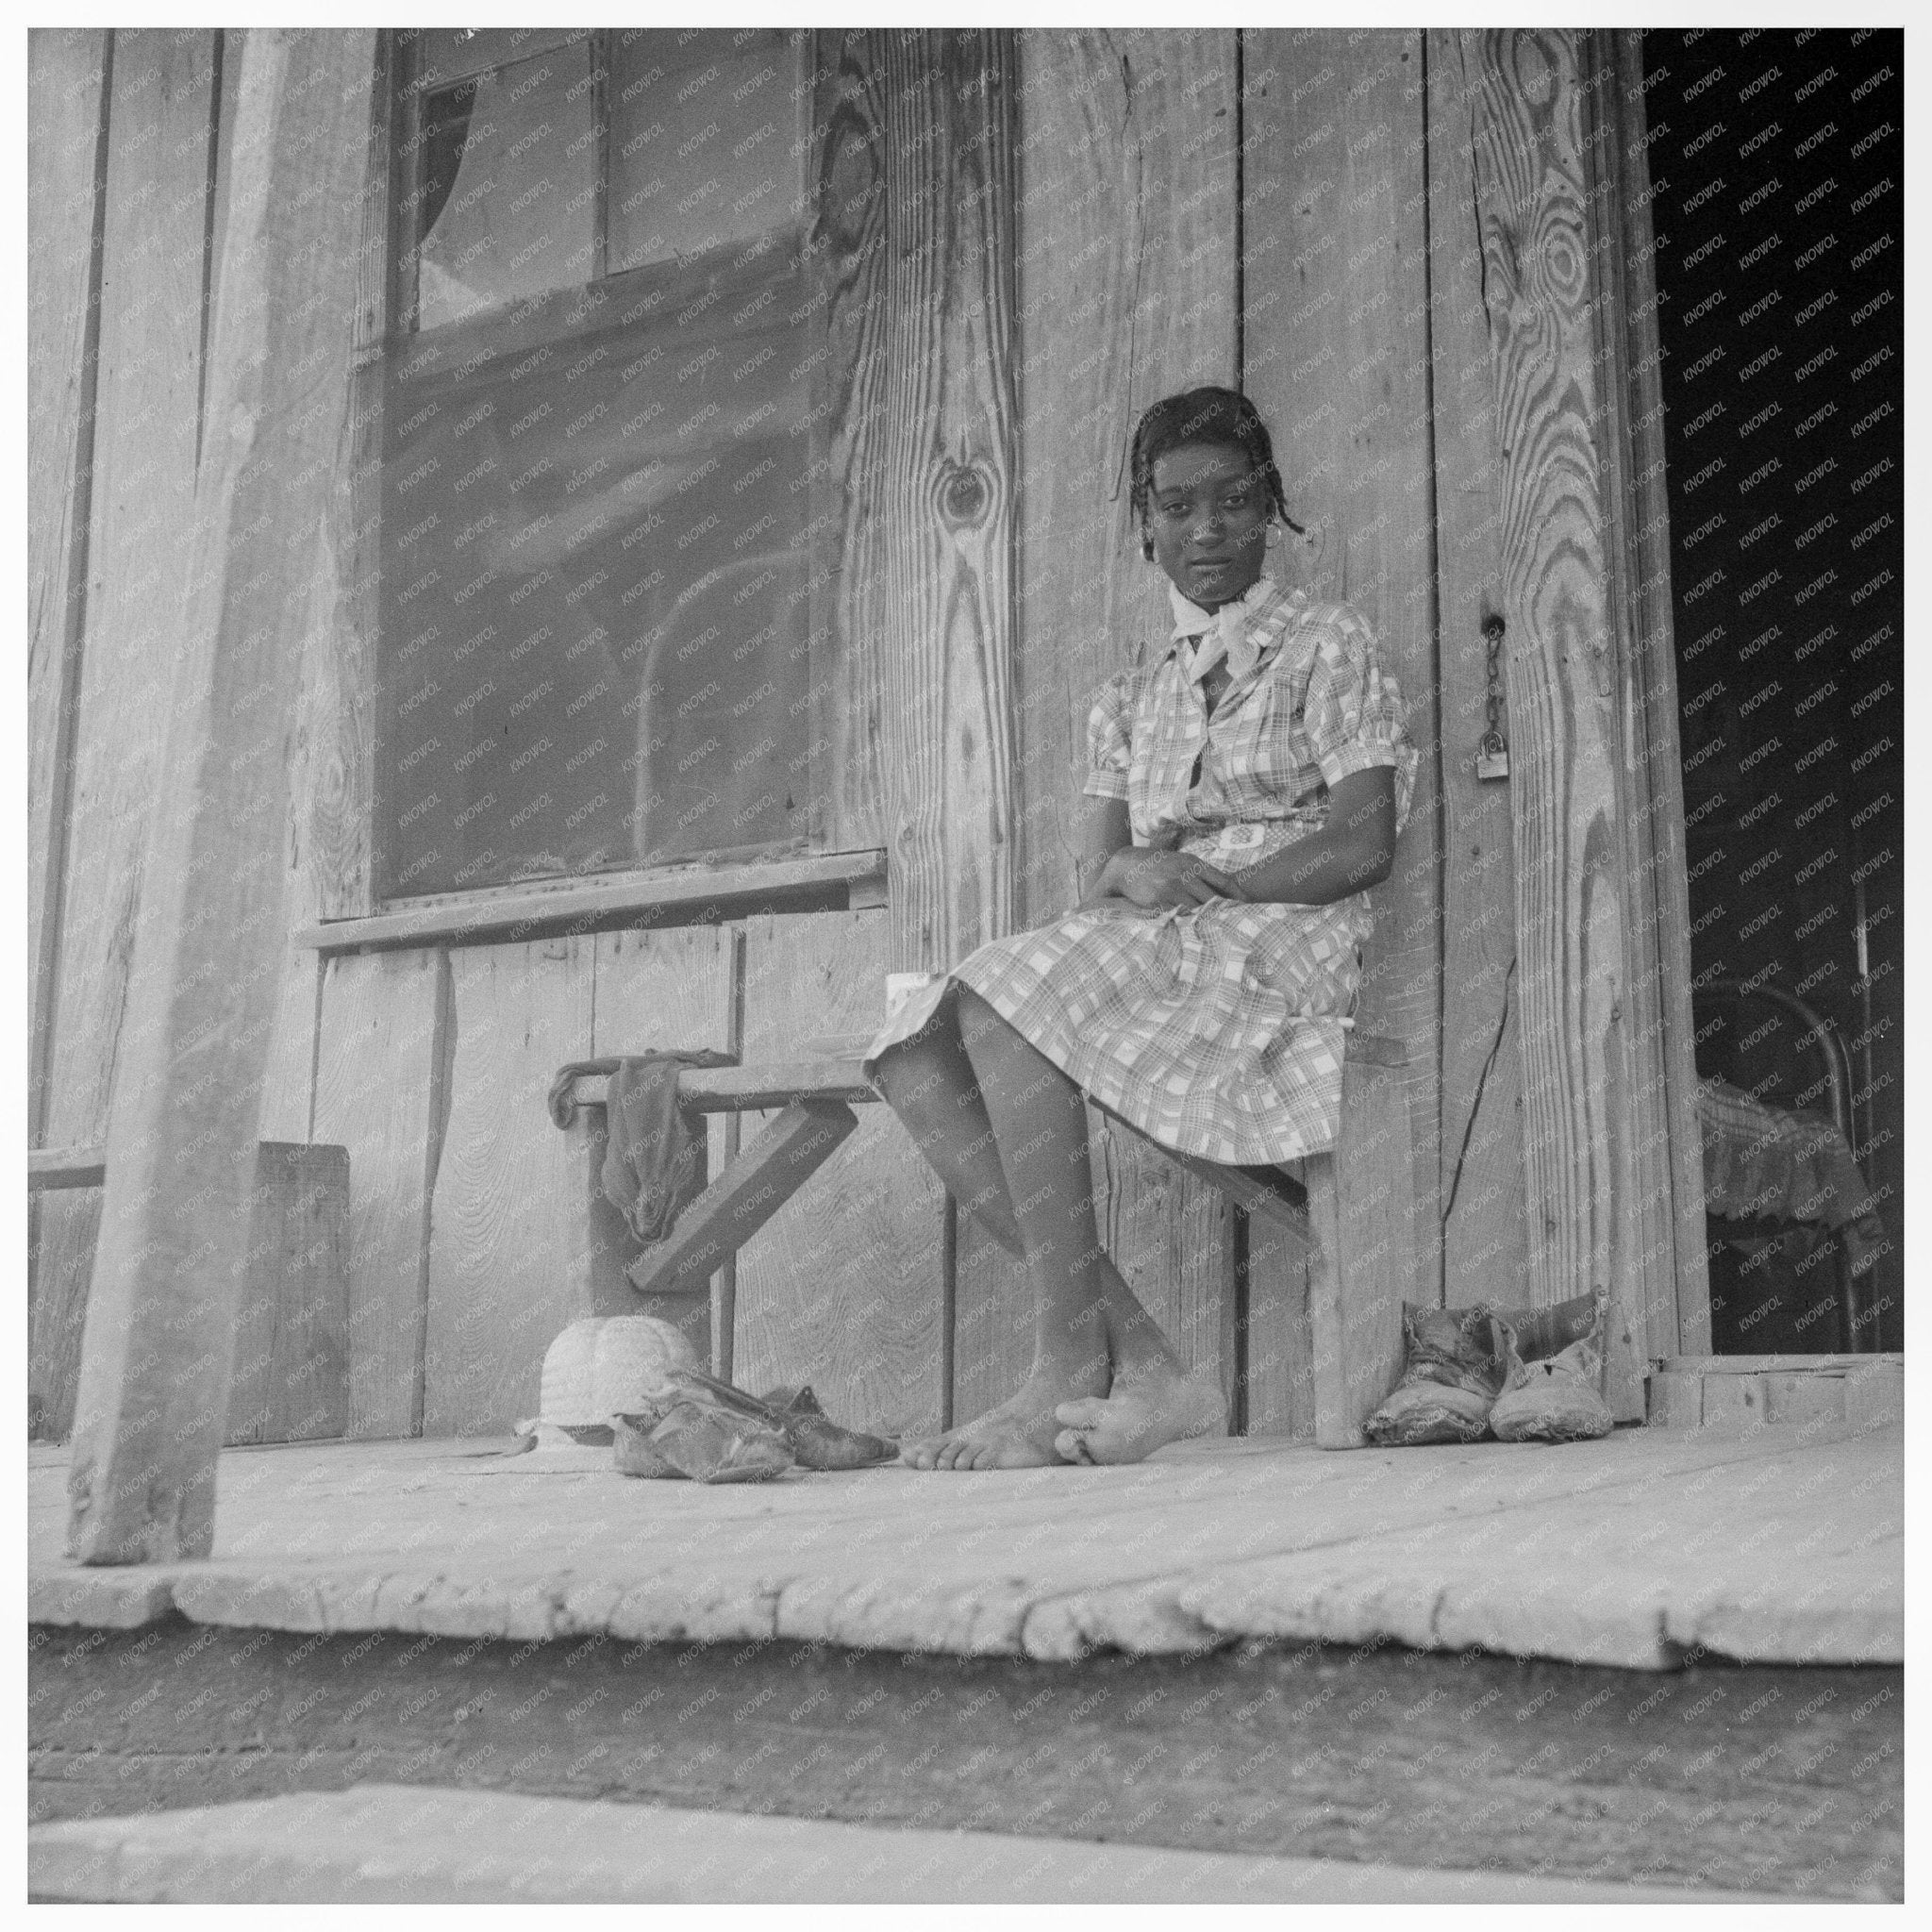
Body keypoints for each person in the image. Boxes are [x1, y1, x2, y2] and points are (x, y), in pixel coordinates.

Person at [866, 386, 1417, 1471]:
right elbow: (1096, 874)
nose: (1205, 529)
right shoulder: (1129, 695)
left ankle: (1068, 1364)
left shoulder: (1327, 642)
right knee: (913, 1053)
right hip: (1157, 943)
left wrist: (1205, 877)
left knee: (999, 989)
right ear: (1144, 523)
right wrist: (1128, 867)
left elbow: (1361, 843)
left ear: (1269, 508)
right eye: (1176, 506)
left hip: (1283, 935)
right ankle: (1148, 1360)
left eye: (1232, 500)